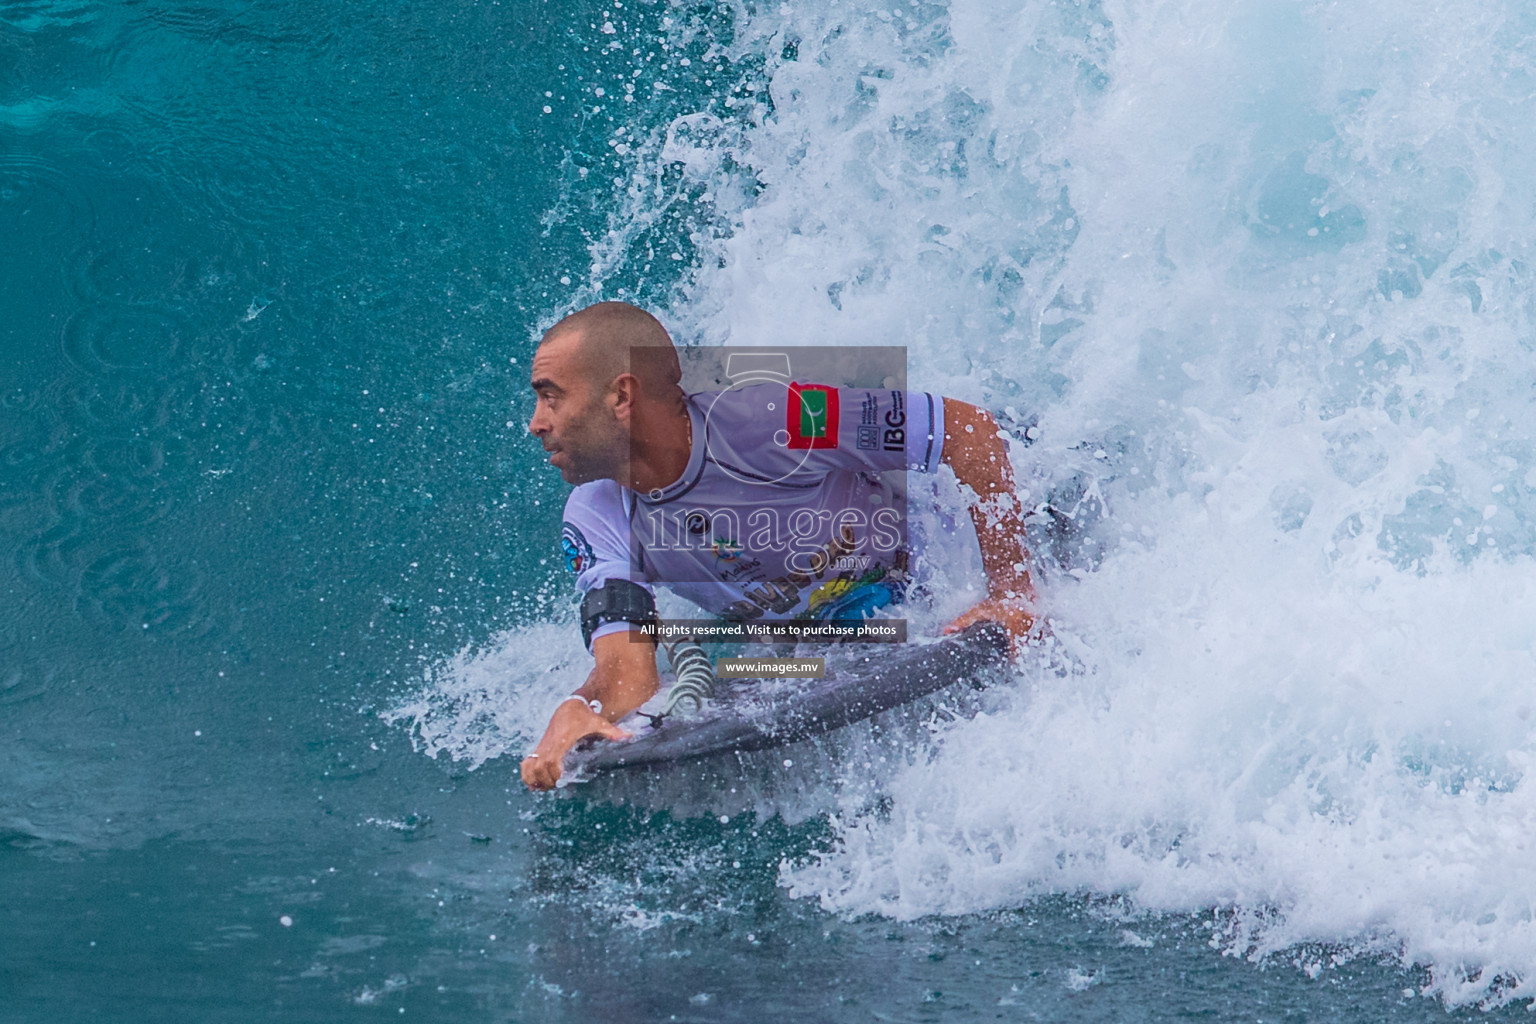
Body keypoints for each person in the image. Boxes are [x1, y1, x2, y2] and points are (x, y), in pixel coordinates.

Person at [520, 301, 1035, 790]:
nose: (536, 423)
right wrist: (581, 707)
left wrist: (1011, 591)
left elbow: (970, 433)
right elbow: (628, 676)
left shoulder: (776, 418)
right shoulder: (595, 515)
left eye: (551, 396)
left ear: (621, 397)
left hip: (942, 574)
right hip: (814, 649)